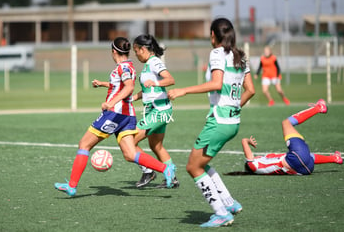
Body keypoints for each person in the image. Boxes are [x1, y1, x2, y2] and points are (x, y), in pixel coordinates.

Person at [54, 37, 176, 197]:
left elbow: (129, 87)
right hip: (127, 115)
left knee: (84, 144)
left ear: (113, 51)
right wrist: (104, 84)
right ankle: (165, 169)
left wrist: (110, 102)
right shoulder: (130, 66)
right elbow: (121, 86)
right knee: (130, 154)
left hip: (115, 114)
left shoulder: (123, 68)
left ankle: (72, 186)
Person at [168, 18, 255, 227]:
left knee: (192, 166)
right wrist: (234, 107)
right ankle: (229, 202)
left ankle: (221, 212)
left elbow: (216, 83)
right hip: (232, 121)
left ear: (214, 35)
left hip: (219, 121)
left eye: (210, 34)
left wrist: (184, 90)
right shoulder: (241, 56)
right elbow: (251, 90)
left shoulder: (217, 53)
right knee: (201, 162)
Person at [242, 99, 342, 175]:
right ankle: (319, 108)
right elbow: (243, 141)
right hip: (296, 160)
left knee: (307, 156)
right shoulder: (253, 165)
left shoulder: (264, 165)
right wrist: (248, 141)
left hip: (305, 169)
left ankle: (335, 159)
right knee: (286, 123)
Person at [132, 34, 179, 189]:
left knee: (130, 141)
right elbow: (148, 89)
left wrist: (156, 82)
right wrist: (133, 98)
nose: (136, 54)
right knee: (156, 146)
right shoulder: (148, 65)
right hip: (157, 109)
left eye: (136, 51)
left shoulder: (154, 62)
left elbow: (170, 79)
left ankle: (148, 171)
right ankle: (172, 178)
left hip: (158, 111)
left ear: (143, 49)